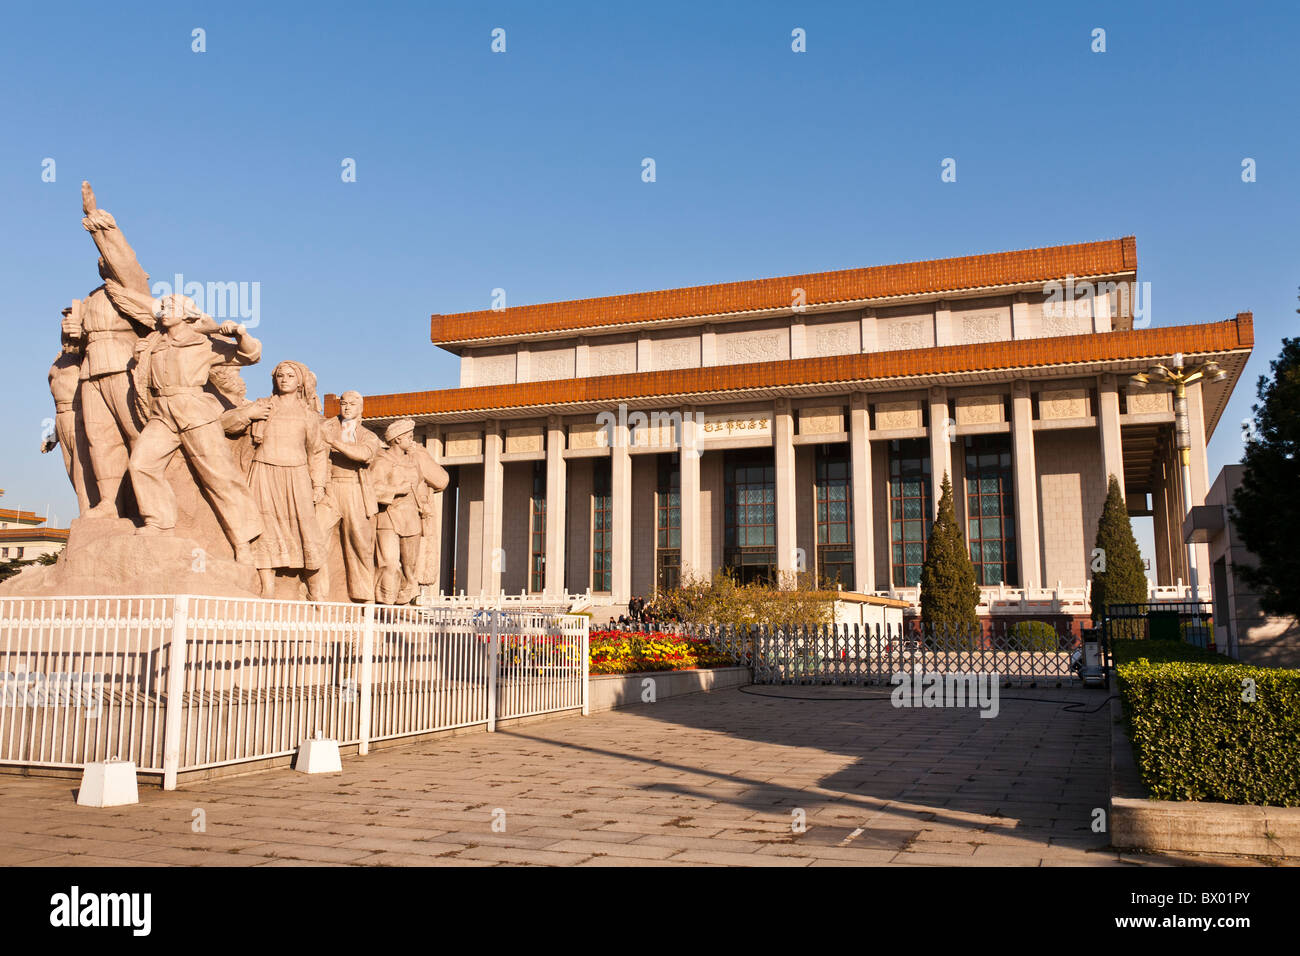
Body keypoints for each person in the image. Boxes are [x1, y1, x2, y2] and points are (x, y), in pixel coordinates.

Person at [125, 295, 263, 562]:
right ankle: (159, 522)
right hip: (163, 411)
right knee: (141, 463)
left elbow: (251, 355)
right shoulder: (154, 343)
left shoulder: (203, 342)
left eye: (171, 308)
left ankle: (244, 540)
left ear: (187, 313)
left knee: (219, 476)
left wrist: (239, 333)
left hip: (195, 410)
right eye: (162, 308)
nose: (164, 312)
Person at [76, 182, 155, 518]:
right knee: (100, 437)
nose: (103, 261)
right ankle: (108, 503)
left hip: (123, 363)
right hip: (91, 369)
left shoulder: (132, 286)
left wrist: (95, 217)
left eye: (107, 257)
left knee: (137, 434)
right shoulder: (92, 298)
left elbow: (123, 256)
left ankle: (147, 504)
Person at [223, 361, 330, 598]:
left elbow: (317, 451)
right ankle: (267, 587)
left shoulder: (308, 415)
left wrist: (319, 484)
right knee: (265, 528)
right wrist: (247, 414)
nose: (284, 379)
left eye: (290, 376)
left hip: (297, 475)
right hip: (264, 472)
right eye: (280, 375)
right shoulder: (263, 406)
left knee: (306, 528)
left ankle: (314, 589)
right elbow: (224, 425)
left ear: (300, 381)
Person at [371, 420, 449, 604]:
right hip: (388, 519)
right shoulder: (383, 460)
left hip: (412, 520)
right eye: (408, 437)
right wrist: (396, 490)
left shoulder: (414, 460)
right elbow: (371, 488)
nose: (412, 441)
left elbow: (440, 481)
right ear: (397, 440)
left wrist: (420, 454)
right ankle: (384, 603)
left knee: (410, 568)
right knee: (389, 564)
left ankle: (403, 603)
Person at [317, 391, 383, 602]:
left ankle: (364, 597)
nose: (346, 407)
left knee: (361, 544)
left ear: (360, 408)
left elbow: (364, 454)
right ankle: (318, 593)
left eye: (352, 404)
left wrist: (334, 443)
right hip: (330, 488)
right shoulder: (326, 428)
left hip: (355, 490)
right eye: (343, 403)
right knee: (316, 536)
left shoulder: (367, 435)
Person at [42, 305, 92, 514]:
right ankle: (85, 512)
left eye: (70, 319)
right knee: (72, 471)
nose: (65, 324)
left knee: (83, 469)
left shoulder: (86, 358)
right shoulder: (58, 360)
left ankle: (89, 514)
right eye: (63, 320)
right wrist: (53, 435)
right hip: (61, 417)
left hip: (81, 415)